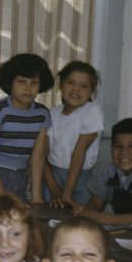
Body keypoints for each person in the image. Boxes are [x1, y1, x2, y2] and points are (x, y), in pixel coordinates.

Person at [0, 53, 54, 202]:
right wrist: (2, 195)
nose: (28, 88)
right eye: (22, 82)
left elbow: (38, 157)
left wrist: (36, 197)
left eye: (34, 83)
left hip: (22, 177)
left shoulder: (42, 113)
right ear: (10, 83)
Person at [44, 61, 104, 206]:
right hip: (52, 176)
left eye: (84, 86)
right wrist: (54, 189)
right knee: (51, 216)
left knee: (78, 221)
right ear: (61, 85)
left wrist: (67, 193)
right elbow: (41, 154)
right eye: (70, 83)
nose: (76, 89)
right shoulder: (52, 114)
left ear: (92, 91)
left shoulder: (91, 112)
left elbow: (79, 152)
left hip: (81, 178)